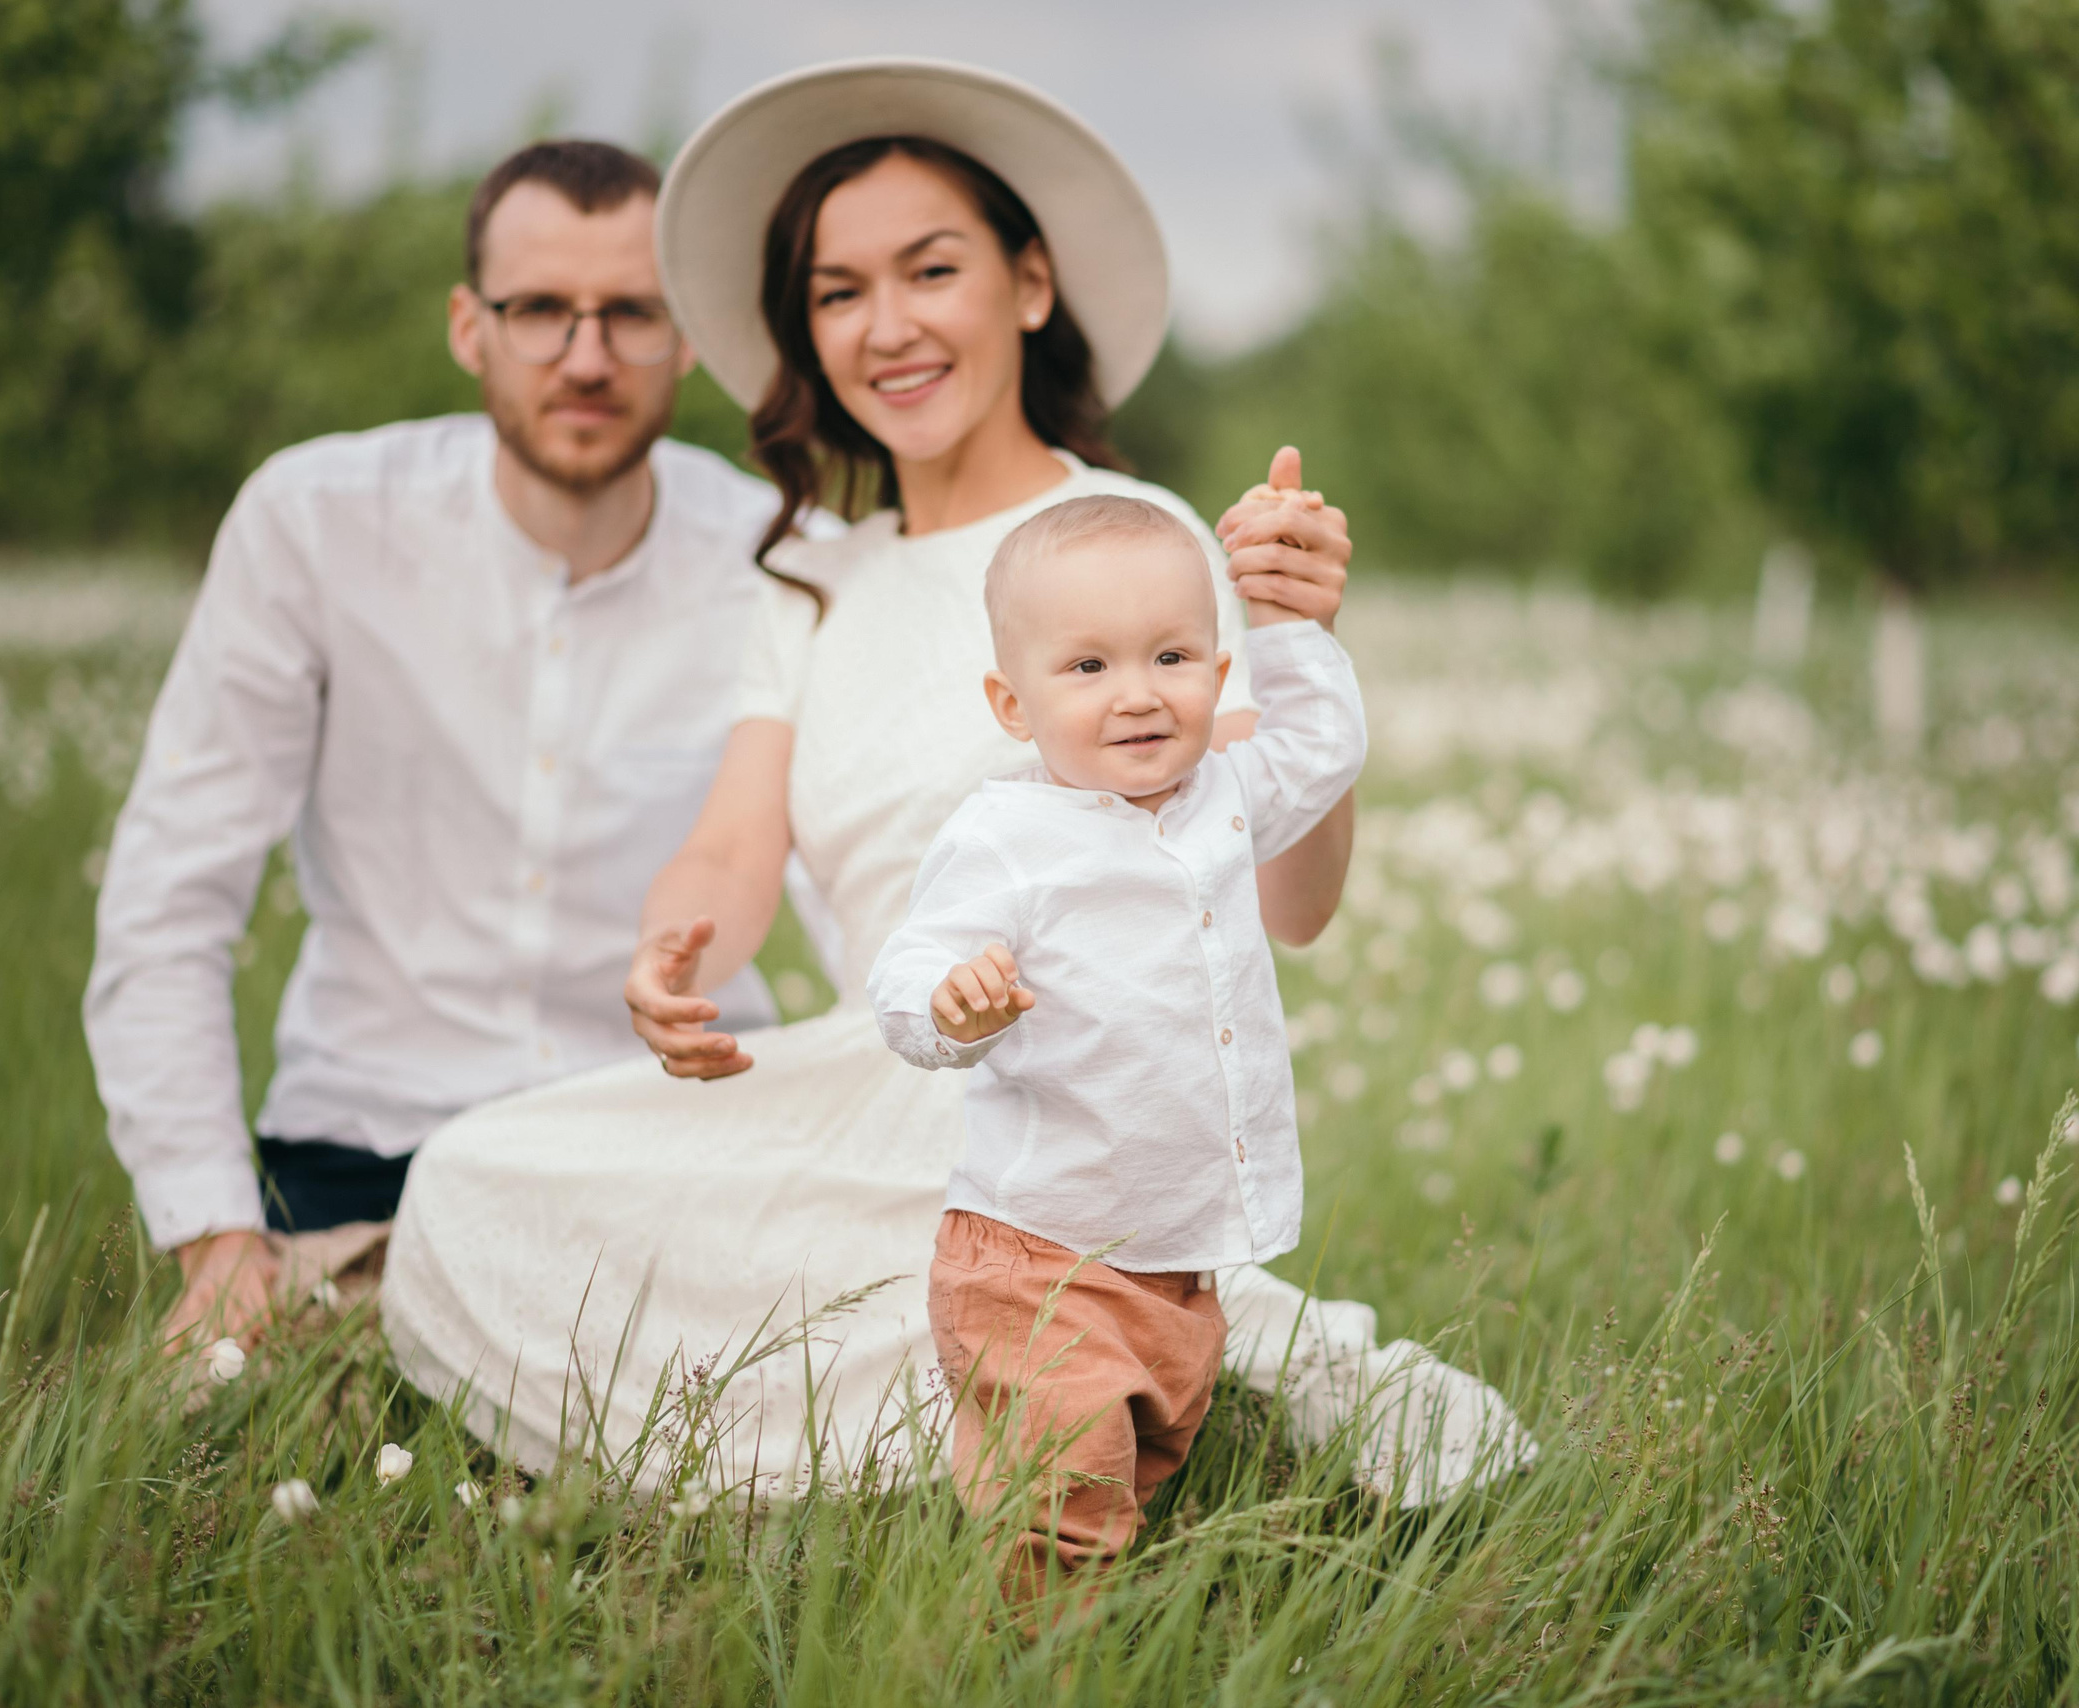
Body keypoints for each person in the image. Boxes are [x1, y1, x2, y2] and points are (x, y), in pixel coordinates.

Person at [383, 60, 1536, 1507]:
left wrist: (1297, 646)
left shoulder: (1132, 544)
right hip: (884, 1069)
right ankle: (1084, 1374)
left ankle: (1142, 1352)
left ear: (1030, 285)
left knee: (985, 1233)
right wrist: (678, 951)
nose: (889, 326)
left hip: (1083, 1101)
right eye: (838, 290)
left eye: (933, 269)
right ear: (807, 331)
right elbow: (737, 847)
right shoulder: (809, 578)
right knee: (471, 1185)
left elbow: (1291, 906)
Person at [83, 139, 818, 1350]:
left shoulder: (780, 562)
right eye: (542, 312)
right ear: (470, 327)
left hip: (668, 1155)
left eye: (631, 313)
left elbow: (863, 896)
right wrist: (216, 1239)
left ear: (688, 335)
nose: (587, 357)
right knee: (247, 1426)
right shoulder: (314, 523)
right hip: (366, 1150)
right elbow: (171, 892)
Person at [869, 491, 1369, 1597]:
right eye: (1087, 668)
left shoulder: (1225, 797)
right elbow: (905, 973)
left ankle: (1099, 1606)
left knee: (1140, 1474)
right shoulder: (1006, 836)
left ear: (1218, 675)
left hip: (1172, 1261)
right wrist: (951, 1007)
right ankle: (1044, 1656)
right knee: (1061, 1514)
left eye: (1173, 655)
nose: (1139, 693)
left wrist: (1287, 619)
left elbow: (1324, 746)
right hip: (1038, 1256)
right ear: (1013, 701)